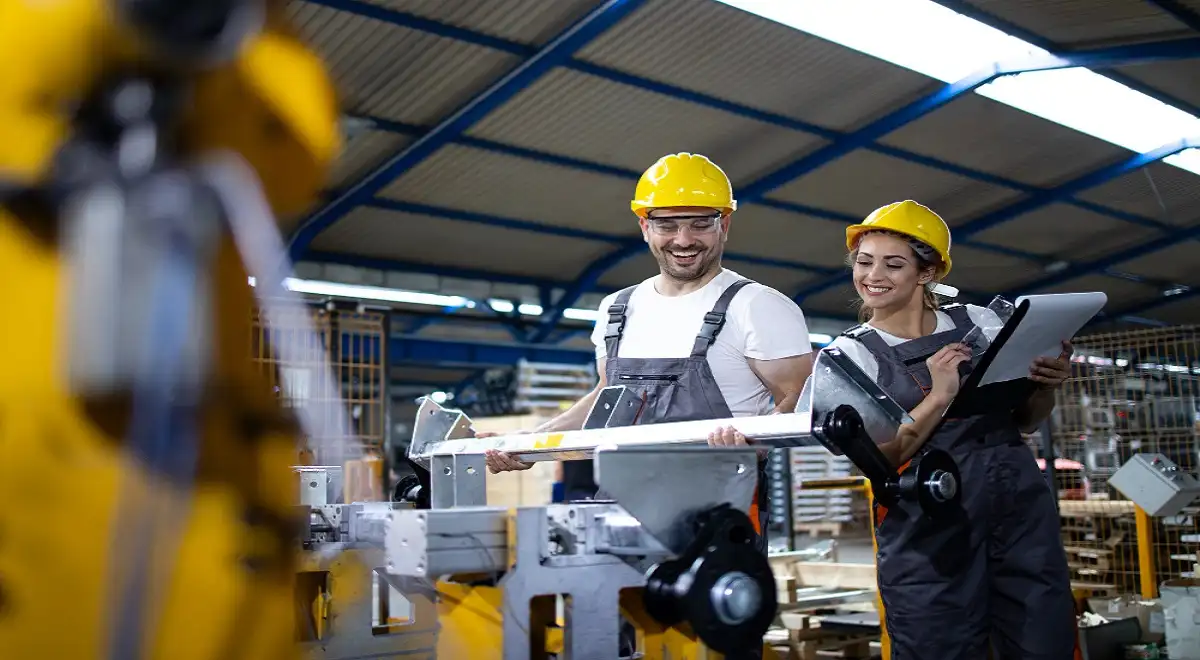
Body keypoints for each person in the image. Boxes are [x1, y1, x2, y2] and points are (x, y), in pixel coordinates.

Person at [483, 151, 816, 552]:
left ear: (724, 224)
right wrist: (530, 444)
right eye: (667, 224)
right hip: (618, 511)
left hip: (718, 513)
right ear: (644, 226)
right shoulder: (617, 308)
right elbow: (605, 398)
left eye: (700, 224)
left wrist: (753, 446)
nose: (684, 239)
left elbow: (799, 400)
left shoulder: (757, 305)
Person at [824, 200, 1077, 660]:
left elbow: (1024, 420)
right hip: (929, 521)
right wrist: (939, 395)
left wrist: (1045, 385)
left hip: (1017, 504)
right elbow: (882, 459)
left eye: (893, 264)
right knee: (938, 643)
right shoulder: (851, 356)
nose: (872, 275)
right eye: (864, 262)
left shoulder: (981, 323)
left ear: (927, 273)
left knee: (1043, 636)